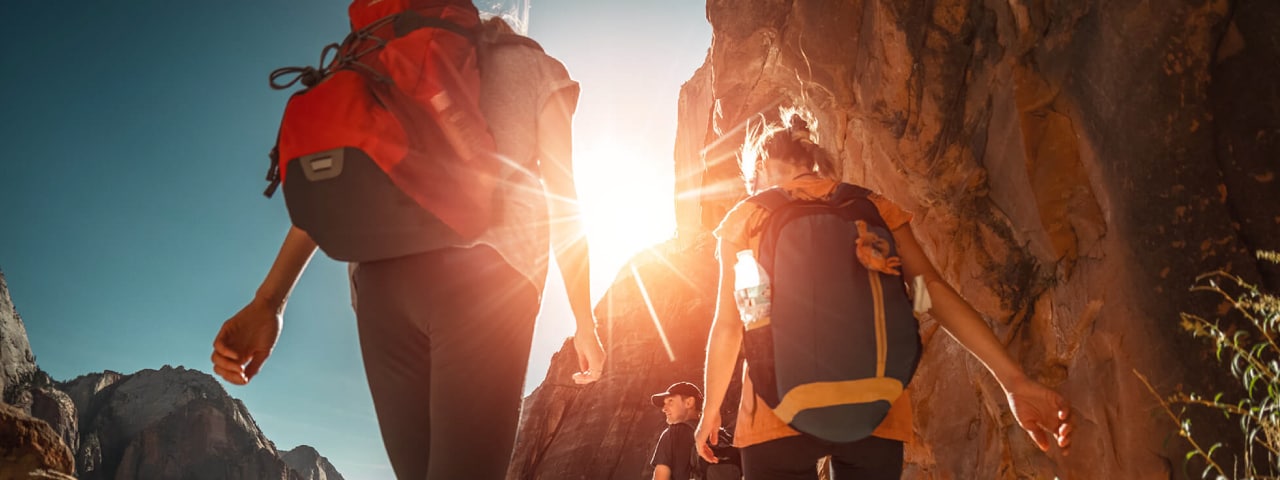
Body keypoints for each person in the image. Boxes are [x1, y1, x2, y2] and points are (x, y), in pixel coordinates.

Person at [208, 10, 606, 480]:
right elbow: (565, 201)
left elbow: (336, 195)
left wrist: (268, 301)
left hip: (379, 287)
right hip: (487, 288)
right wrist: (584, 319)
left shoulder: (372, 61)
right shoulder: (536, 68)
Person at [694, 110, 1073, 479]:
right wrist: (1013, 381)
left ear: (761, 169)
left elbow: (729, 325)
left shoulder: (749, 216)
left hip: (775, 417)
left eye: (752, 182)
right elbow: (930, 290)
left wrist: (710, 410)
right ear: (811, 159)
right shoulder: (874, 207)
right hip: (875, 413)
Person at [651, 382, 704, 480]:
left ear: (689, 403)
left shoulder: (672, 434)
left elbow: (661, 477)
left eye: (670, 401)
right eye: (664, 404)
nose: (664, 409)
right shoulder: (718, 434)